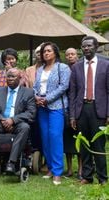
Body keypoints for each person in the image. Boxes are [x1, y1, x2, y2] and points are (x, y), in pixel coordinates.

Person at [69, 36, 108, 185]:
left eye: (89, 46)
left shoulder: (106, 65)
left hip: (99, 109)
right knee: (84, 144)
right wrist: (72, 116)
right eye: (84, 46)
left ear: (96, 47)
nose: (86, 48)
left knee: (98, 144)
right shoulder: (76, 67)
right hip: (81, 109)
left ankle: (103, 178)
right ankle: (87, 176)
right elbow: (72, 93)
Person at [0, 68, 36, 174]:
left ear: (20, 78)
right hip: (0, 123)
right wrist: (3, 120)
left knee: (25, 127)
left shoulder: (28, 92)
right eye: (8, 76)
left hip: (18, 124)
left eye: (13, 76)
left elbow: (31, 113)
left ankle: (12, 162)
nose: (10, 79)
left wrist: (13, 120)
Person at [33, 42, 71, 185]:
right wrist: (36, 97)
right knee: (45, 137)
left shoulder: (63, 68)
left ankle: (57, 172)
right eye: (44, 52)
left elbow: (64, 87)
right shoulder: (40, 69)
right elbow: (35, 87)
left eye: (49, 51)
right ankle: (49, 167)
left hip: (56, 107)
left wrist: (47, 99)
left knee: (55, 136)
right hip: (41, 107)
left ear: (55, 52)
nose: (46, 53)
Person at [64, 47, 82, 179]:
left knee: (80, 139)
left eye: (73, 54)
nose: (70, 56)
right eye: (68, 54)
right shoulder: (64, 70)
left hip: (79, 108)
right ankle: (69, 168)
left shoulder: (82, 68)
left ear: (77, 55)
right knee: (68, 140)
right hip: (65, 108)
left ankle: (81, 169)